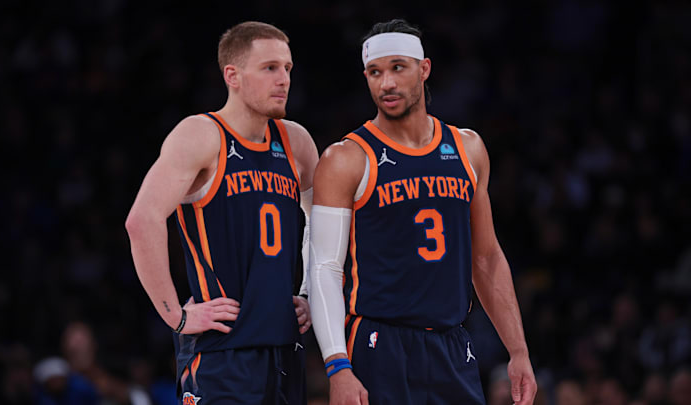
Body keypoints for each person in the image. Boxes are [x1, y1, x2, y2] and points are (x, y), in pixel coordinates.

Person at [308, 19, 536, 404]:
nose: (387, 84)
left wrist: (518, 350)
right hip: (379, 343)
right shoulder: (345, 158)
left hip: (451, 342)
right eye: (375, 73)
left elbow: (486, 257)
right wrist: (337, 365)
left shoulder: (468, 149)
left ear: (424, 68)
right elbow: (326, 269)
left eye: (398, 67)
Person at [125, 21, 318, 404]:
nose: (283, 79)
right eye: (270, 68)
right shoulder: (201, 134)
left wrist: (309, 292)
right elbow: (142, 220)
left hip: (285, 344)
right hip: (223, 349)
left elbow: (321, 224)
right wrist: (176, 318)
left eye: (288, 68)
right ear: (232, 75)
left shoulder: (295, 140)